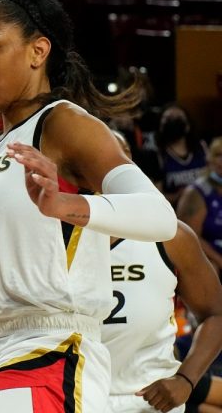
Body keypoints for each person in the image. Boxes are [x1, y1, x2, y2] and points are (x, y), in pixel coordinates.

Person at [0, 0, 176, 412]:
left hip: (51, 350)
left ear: (38, 51)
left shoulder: (63, 123)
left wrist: (66, 207)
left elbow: (159, 216)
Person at [102, 133, 222, 413]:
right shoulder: (50, 236)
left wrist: (185, 379)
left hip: (151, 398)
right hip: (74, 396)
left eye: (119, 155)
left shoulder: (170, 235)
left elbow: (215, 312)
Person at [177, 137, 222, 272]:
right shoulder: (196, 192)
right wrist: (220, 260)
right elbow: (189, 238)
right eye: (218, 155)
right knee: (211, 268)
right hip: (208, 256)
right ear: (209, 160)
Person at [153, 104, 208, 207]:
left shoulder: (202, 147)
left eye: (178, 118)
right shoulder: (157, 155)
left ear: (188, 125)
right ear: (160, 125)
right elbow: (156, 199)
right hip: (175, 214)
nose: (174, 121)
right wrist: (181, 195)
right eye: (169, 118)